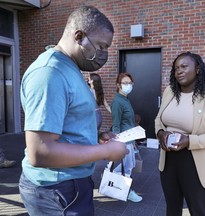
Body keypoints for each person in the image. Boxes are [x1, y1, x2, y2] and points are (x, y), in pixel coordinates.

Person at [19, 6, 127, 216]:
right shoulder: (50, 73)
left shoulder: (70, 67)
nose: (103, 54)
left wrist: (95, 136)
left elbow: (67, 123)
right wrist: (107, 152)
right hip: (56, 190)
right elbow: (40, 152)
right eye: (101, 46)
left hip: (69, 184)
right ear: (79, 36)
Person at [155, 52, 205, 216]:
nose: (179, 71)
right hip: (168, 160)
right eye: (176, 68)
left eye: (184, 67)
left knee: (198, 210)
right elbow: (158, 119)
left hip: (195, 162)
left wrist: (189, 140)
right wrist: (161, 134)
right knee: (172, 208)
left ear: (197, 69)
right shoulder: (170, 91)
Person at [110, 72, 143, 202]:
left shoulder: (125, 99)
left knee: (129, 165)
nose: (128, 85)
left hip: (130, 139)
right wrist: (118, 144)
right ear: (118, 85)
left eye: (130, 83)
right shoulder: (117, 102)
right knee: (127, 167)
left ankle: (112, 177)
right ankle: (127, 192)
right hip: (124, 140)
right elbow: (116, 125)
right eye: (125, 83)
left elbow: (128, 122)